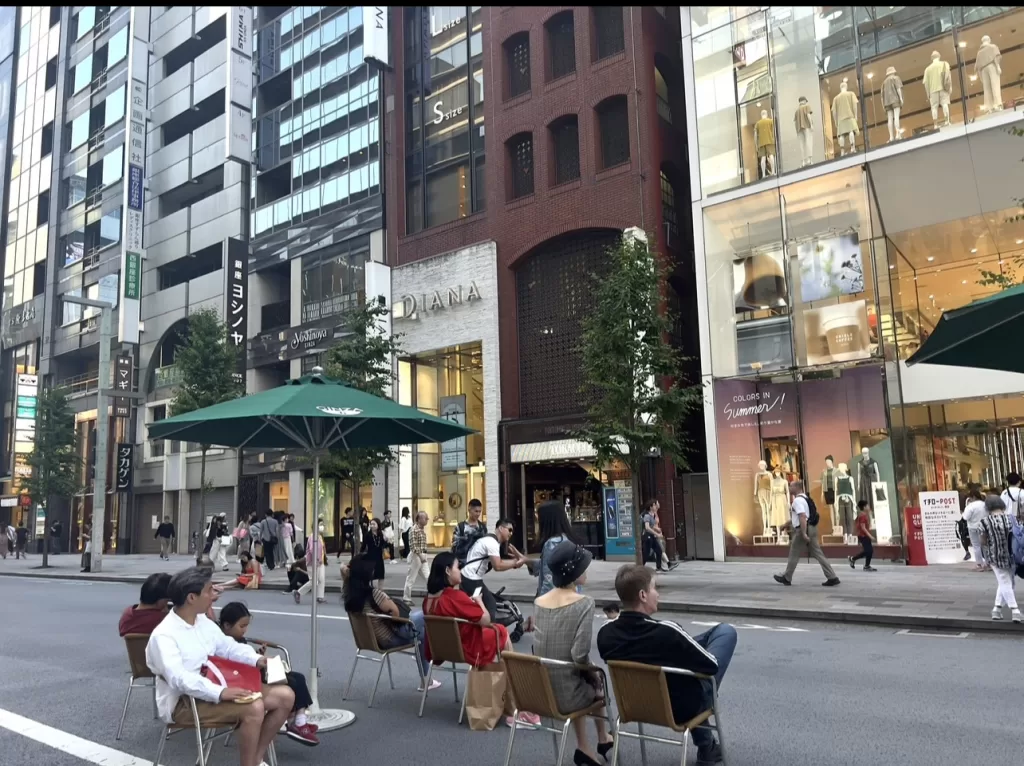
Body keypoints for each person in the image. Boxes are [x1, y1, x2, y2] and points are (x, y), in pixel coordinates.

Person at [146, 567, 294, 766]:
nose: (214, 594)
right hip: (183, 702)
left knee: (286, 696)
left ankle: (256, 758)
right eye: (209, 590)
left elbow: (227, 647)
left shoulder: (202, 622)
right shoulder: (163, 635)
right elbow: (179, 678)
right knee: (253, 707)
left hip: (215, 684)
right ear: (192, 597)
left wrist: (256, 659)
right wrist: (221, 692)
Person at [598, 565, 736, 766]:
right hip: (680, 708)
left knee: (686, 657)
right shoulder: (668, 632)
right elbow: (711, 667)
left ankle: (707, 747)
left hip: (637, 705)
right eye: (655, 588)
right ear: (643, 595)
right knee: (725, 632)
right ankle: (707, 748)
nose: (658, 594)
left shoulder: (605, 634)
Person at [532, 541, 614, 762]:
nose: (586, 569)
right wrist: (595, 674)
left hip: (542, 692)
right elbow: (579, 655)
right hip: (568, 696)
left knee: (579, 678)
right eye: (583, 566)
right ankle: (601, 737)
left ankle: (589, 744)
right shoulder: (584, 603)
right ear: (574, 571)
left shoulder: (539, 601)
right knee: (597, 684)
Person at [218, 602, 320, 746]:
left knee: (298, 677)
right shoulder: (221, 643)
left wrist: (257, 655)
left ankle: (297, 720)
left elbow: (245, 657)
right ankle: (297, 721)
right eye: (241, 626)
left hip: (254, 673)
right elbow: (232, 664)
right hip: (245, 680)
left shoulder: (238, 639)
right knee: (293, 682)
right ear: (227, 625)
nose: (245, 630)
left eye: (246, 626)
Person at [343, 555, 439, 689]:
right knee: (426, 618)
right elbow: (396, 615)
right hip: (391, 637)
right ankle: (426, 680)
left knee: (422, 632)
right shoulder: (375, 594)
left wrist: (350, 568)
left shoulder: (350, 594)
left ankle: (426, 680)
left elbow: (343, 568)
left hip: (371, 639)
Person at [423, 552, 510, 667]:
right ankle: (512, 674)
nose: (460, 571)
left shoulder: (427, 601)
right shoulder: (454, 597)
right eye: (458, 567)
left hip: (441, 650)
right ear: (448, 571)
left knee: (494, 631)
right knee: (501, 630)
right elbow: (486, 620)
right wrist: (479, 601)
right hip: (466, 649)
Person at [773, 480, 840, 587]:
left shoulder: (797, 501)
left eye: (791, 486)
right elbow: (802, 516)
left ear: (796, 487)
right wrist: (786, 524)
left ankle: (787, 577)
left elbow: (802, 517)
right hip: (812, 528)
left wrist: (804, 533)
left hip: (803, 530)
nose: (789, 489)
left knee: (794, 553)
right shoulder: (806, 498)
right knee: (818, 553)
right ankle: (832, 576)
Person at [460, 518, 527, 621]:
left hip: (469, 577)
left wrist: (514, 562)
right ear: (500, 528)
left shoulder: (489, 540)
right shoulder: (492, 542)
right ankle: (488, 631)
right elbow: (498, 565)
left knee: (479, 602)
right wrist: (515, 562)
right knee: (490, 604)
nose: (511, 533)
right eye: (509, 530)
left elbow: (496, 563)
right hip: (472, 579)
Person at [979, 495, 1022, 623]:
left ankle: (1003, 610)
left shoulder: (984, 522)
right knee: (1009, 582)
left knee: (1004, 582)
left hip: (995, 556)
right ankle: (1011, 610)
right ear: (1002, 505)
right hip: (1013, 555)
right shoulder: (1012, 519)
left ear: (987, 507)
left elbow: (983, 541)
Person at [535, 499, 581, 597]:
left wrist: (541, 605)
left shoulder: (552, 544)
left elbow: (549, 580)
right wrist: (527, 561)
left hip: (557, 602)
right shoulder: (567, 540)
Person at [294, 521, 327, 604]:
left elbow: (322, 549)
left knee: (321, 579)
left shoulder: (320, 536)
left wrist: (324, 558)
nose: (322, 527)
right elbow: (312, 549)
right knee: (313, 581)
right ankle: (298, 592)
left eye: (322, 525)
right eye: (320, 525)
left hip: (321, 562)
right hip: (313, 562)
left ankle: (320, 597)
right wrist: (316, 558)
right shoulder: (312, 537)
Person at [403, 510, 431, 604]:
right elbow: (413, 545)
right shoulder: (413, 529)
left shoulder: (421, 529)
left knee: (429, 577)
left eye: (427, 517)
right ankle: (406, 598)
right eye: (425, 518)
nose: (427, 519)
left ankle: (432, 595)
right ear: (419, 519)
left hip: (422, 555)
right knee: (411, 578)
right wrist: (421, 556)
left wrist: (424, 556)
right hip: (416, 556)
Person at [451, 499, 488, 566]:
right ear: (469, 509)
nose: (478, 514)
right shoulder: (460, 527)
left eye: (480, 511)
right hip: (463, 564)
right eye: (476, 511)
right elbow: (454, 547)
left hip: (478, 564)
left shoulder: (482, 528)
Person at [961, 488, 988, 571]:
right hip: (984, 527)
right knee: (985, 546)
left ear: (973, 497)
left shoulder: (970, 506)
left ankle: (979, 565)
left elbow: (965, 517)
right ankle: (988, 563)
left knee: (976, 546)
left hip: (973, 527)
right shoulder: (985, 504)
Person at [848, 500, 877, 572]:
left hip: (864, 535)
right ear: (864, 507)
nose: (869, 507)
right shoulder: (862, 516)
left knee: (869, 551)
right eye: (867, 506)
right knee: (869, 551)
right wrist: (870, 536)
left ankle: (856, 560)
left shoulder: (863, 514)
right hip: (863, 536)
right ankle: (854, 560)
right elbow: (863, 528)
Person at [361, 518, 387, 583]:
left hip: (379, 557)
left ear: (378, 525)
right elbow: (363, 546)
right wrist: (360, 555)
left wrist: (385, 538)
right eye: (371, 524)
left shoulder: (381, 534)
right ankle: (368, 590)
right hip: (370, 557)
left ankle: (380, 590)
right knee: (369, 575)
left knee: (381, 575)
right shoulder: (368, 535)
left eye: (374, 524)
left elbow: (384, 545)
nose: (372, 526)